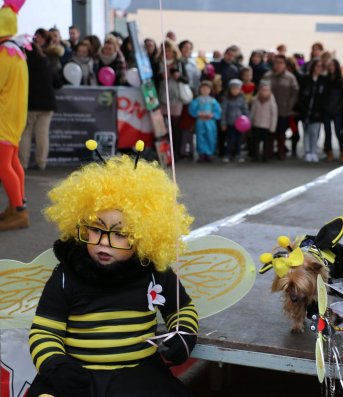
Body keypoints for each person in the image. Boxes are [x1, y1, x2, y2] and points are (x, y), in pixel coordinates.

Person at [27, 148, 198, 397]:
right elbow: (44, 331)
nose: (105, 242)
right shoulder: (66, 275)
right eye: (97, 229)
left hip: (138, 375)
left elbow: (181, 309)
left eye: (120, 234)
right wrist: (55, 365)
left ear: (145, 236)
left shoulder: (153, 272)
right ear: (82, 224)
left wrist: (183, 334)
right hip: (77, 376)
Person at [0, 0, 29, 231]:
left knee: (3, 165)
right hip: (15, 117)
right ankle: (16, 206)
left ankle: (18, 212)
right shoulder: (17, 51)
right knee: (12, 162)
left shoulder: (4, 53)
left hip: (3, 117)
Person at [19, 40, 62, 171]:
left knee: (26, 133)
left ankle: (23, 164)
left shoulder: (22, 64)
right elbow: (58, 83)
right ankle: (41, 163)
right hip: (47, 104)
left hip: (29, 104)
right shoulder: (46, 62)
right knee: (42, 134)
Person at [261, 54, 299, 160]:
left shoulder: (290, 77)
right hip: (268, 110)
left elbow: (295, 92)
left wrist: (290, 105)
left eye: (281, 63)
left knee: (281, 132)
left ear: (285, 65)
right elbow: (261, 89)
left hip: (284, 109)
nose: (278, 65)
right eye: (276, 62)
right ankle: (268, 152)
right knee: (269, 132)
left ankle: (281, 151)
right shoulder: (267, 76)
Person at [299, 58, 327, 162]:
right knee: (306, 131)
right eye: (317, 66)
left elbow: (324, 97)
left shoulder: (323, 80)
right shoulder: (306, 78)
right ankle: (307, 152)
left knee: (315, 132)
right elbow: (301, 94)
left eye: (320, 66)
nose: (319, 68)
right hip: (306, 110)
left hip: (317, 111)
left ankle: (313, 151)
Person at [322, 58, 343, 162]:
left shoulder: (342, 80)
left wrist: (339, 107)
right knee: (327, 132)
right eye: (329, 65)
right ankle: (329, 152)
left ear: (336, 67)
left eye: (333, 65)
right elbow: (322, 96)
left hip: (338, 111)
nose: (331, 67)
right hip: (327, 110)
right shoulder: (325, 80)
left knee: (339, 132)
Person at [188, 80, 221, 162]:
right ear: (200, 90)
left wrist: (212, 115)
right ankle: (202, 154)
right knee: (200, 137)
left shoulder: (213, 101)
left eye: (207, 89)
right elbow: (191, 109)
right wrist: (198, 113)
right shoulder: (197, 100)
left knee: (211, 137)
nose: (205, 90)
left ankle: (209, 153)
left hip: (210, 122)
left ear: (210, 90)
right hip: (200, 121)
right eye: (203, 89)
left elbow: (218, 110)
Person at [220, 78, 249, 162]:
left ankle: (238, 154)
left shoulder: (242, 99)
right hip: (230, 124)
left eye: (237, 89)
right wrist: (223, 123)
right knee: (230, 140)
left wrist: (248, 121)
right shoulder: (226, 99)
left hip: (240, 125)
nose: (235, 91)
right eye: (233, 89)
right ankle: (228, 154)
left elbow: (245, 110)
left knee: (239, 140)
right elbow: (223, 111)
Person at [250, 81, 277, 162]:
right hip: (256, 124)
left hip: (267, 125)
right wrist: (251, 123)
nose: (264, 92)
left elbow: (274, 115)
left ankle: (266, 156)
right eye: (263, 90)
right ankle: (256, 156)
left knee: (266, 143)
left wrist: (272, 127)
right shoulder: (255, 100)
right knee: (256, 142)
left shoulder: (272, 101)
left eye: (266, 90)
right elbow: (252, 112)